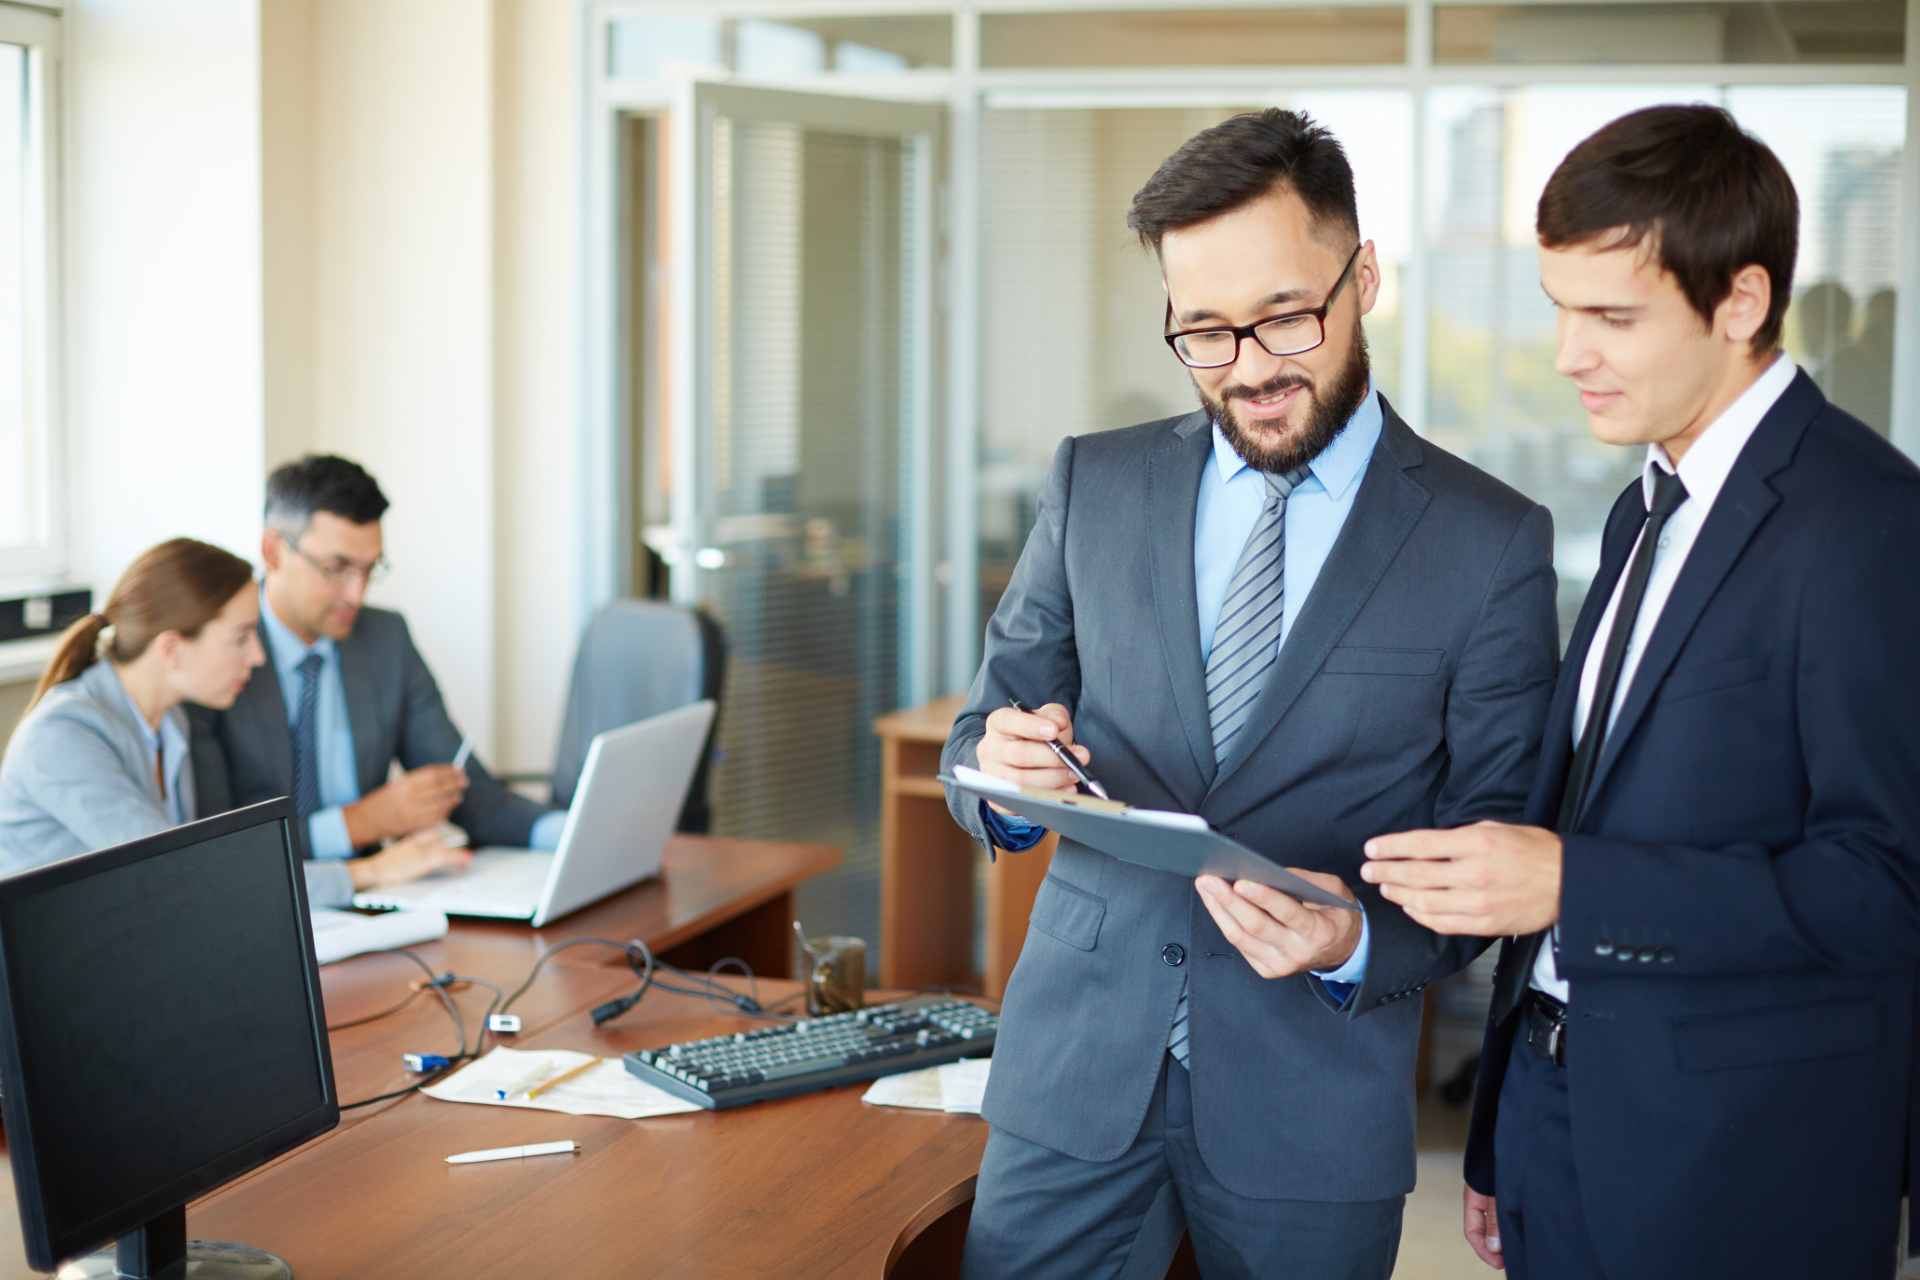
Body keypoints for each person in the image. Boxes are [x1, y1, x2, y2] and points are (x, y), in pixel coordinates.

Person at [940, 109, 1560, 1279]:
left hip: (1311, 1102)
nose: (1250, 368)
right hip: (1073, 1074)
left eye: (1284, 315)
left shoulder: (1489, 544)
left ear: (1363, 274)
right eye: (1204, 332)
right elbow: (980, 737)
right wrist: (1006, 779)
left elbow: (1495, 851)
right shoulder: (1096, 482)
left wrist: (1353, 936)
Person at [1361, 105, 1920, 1280]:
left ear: (1743, 302)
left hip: (1741, 1164)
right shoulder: (1644, 506)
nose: (1568, 354)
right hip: (1562, 1119)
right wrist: (1505, 1125)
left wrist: (1573, 881)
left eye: (1611, 316)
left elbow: (1887, 884)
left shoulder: (1869, 523)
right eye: (1561, 309)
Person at [191, 455, 562, 887]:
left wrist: (567, 833)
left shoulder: (386, 639)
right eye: (336, 568)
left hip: (382, 902)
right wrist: (363, 822)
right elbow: (215, 844)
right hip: (265, 902)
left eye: (370, 569)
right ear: (273, 550)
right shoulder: (213, 653)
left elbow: (467, 791)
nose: (356, 592)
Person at [0, 539, 351, 906]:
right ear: (171, 650)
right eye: (241, 637)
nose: (258, 655)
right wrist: (366, 874)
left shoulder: (173, 723)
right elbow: (182, 870)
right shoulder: (62, 736)